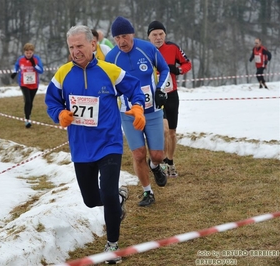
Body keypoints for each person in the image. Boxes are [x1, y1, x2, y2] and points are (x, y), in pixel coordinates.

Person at [45, 25, 146, 264]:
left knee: (108, 193)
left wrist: (139, 106)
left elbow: (134, 88)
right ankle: (116, 199)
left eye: (80, 46)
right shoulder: (62, 74)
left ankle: (112, 246)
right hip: (81, 146)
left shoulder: (110, 71)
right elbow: (51, 102)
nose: (75, 51)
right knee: (91, 199)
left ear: (93, 44)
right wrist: (59, 114)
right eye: (71, 47)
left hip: (109, 143)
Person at [105, 17, 169, 208]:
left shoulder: (147, 48)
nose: (121, 41)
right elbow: (109, 86)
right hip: (129, 113)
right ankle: (147, 192)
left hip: (152, 111)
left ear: (132, 34)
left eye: (124, 36)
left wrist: (159, 90)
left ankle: (155, 166)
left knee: (157, 155)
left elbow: (164, 69)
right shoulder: (111, 58)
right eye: (117, 38)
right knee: (139, 154)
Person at [147, 21, 192, 178]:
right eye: (155, 35)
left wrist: (177, 69)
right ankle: (162, 164)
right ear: (149, 37)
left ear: (165, 35)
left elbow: (187, 64)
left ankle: (170, 162)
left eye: (161, 34)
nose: (158, 38)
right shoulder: (145, 50)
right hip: (155, 96)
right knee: (164, 130)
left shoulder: (173, 48)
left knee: (172, 132)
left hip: (171, 94)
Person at [11, 43, 44, 128]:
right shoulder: (20, 59)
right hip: (24, 83)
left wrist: (34, 65)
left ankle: (28, 114)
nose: (28, 55)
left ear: (33, 52)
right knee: (28, 101)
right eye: (27, 53)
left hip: (34, 84)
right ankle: (27, 119)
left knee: (31, 102)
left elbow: (41, 71)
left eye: (30, 53)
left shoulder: (36, 59)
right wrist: (14, 72)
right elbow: (16, 66)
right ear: (24, 52)